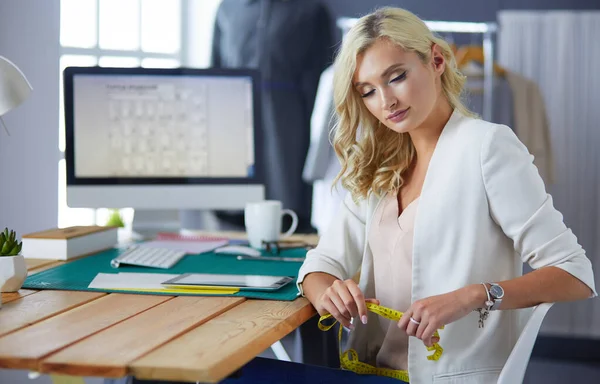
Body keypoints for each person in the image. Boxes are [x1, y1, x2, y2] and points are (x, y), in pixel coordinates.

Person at [297, 7, 596, 384]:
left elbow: (574, 274)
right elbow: (321, 263)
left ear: (436, 60)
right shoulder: (379, 167)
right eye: (368, 91)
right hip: (368, 368)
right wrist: (328, 291)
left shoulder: (487, 147)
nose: (386, 101)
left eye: (397, 77)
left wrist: (473, 296)